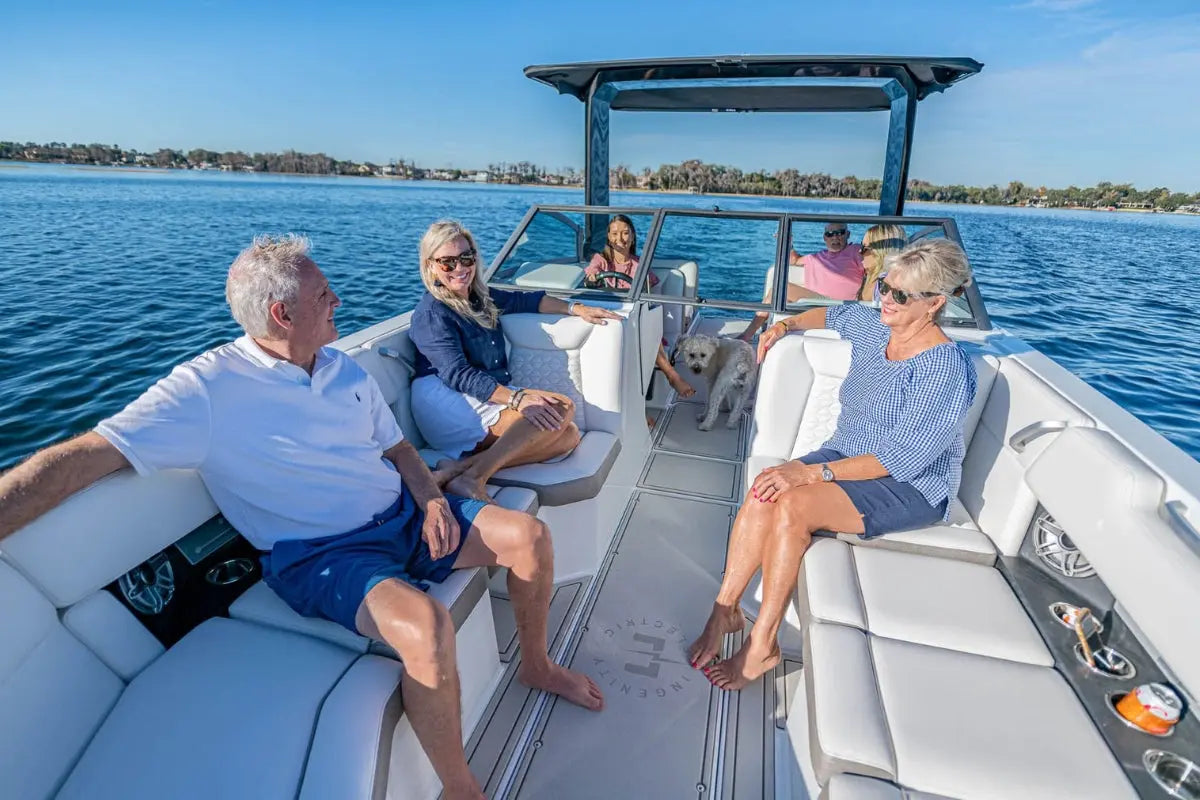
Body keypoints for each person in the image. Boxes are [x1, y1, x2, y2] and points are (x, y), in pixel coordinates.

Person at [0, 234, 604, 800]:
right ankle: (459, 785)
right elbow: (83, 457)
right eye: (323, 294)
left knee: (528, 537)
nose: (338, 299)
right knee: (426, 626)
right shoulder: (205, 390)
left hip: (400, 512)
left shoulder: (342, 368)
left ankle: (536, 664)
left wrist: (433, 500)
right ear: (282, 315)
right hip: (319, 555)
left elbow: (397, 450)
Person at [690, 239, 977, 692]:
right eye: (884, 286)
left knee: (794, 506)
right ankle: (723, 610)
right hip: (848, 453)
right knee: (765, 487)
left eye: (900, 295)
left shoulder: (944, 368)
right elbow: (832, 314)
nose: (885, 298)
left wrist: (807, 473)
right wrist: (784, 328)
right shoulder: (876, 325)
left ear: (935, 303)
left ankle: (762, 643)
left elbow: (904, 457)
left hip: (911, 484)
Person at [410, 220, 622, 503]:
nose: (460, 269)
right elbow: (457, 374)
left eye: (466, 258)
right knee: (562, 407)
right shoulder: (432, 313)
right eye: (448, 263)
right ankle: (473, 479)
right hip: (445, 397)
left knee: (569, 436)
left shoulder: (479, 298)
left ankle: (458, 469)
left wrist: (576, 307)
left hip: (478, 391)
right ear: (431, 266)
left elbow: (528, 301)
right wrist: (517, 399)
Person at [582, 214, 695, 403]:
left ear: (633, 236)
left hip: (633, 319)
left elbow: (650, 288)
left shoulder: (639, 264)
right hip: (609, 316)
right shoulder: (601, 260)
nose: (620, 239)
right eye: (615, 233)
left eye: (625, 233)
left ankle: (668, 378)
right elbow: (592, 271)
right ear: (609, 237)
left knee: (646, 334)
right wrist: (593, 276)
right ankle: (670, 375)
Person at [738, 222, 865, 341]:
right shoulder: (817, 257)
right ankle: (767, 333)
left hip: (841, 306)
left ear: (847, 234)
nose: (835, 237)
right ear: (825, 238)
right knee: (781, 297)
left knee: (779, 290)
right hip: (816, 302)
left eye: (840, 233)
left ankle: (747, 335)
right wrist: (788, 242)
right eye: (830, 234)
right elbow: (794, 260)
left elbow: (874, 265)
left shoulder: (856, 251)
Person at [858, 224, 907, 301]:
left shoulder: (887, 287)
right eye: (861, 246)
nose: (860, 251)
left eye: (864, 248)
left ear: (880, 252)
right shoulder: (869, 276)